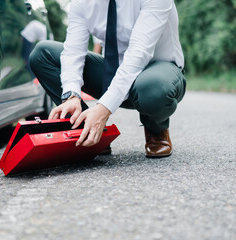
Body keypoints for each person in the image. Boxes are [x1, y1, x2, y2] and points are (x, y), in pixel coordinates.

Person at [29, 0, 186, 158]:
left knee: (152, 87)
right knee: (42, 54)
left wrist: (103, 109)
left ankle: (156, 130)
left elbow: (139, 53)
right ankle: (88, 131)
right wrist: (71, 95)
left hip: (158, 72)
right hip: (112, 74)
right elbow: (73, 52)